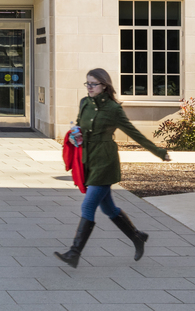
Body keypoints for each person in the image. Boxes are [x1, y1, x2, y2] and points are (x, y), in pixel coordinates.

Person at [55, 68, 171, 268]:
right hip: (88, 160)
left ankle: (74, 253)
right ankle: (137, 237)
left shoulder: (114, 109)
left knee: (88, 206)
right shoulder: (84, 103)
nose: (89, 87)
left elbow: (135, 134)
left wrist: (159, 152)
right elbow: (81, 126)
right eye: (87, 83)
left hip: (105, 162)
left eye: (93, 84)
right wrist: (76, 135)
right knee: (108, 208)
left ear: (104, 86)